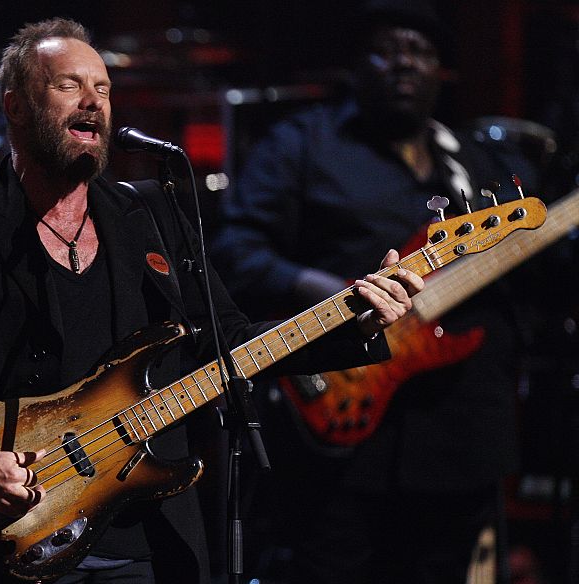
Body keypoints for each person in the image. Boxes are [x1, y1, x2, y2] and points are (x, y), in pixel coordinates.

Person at [0, 17, 422, 584]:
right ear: (16, 106)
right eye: (68, 85)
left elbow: (226, 342)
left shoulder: (149, 213)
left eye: (102, 89)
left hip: (149, 542)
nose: (92, 102)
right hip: (22, 532)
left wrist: (355, 318)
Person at [212, 2, 540, 583]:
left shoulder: (476, 163)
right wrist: (338, 297)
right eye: (387, 50)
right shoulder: (302, 145)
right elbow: (236, 252)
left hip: (461, 434)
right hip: (341, 429)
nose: (404, 64)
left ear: (445, 72)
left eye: (421, 52)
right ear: (355, 67)